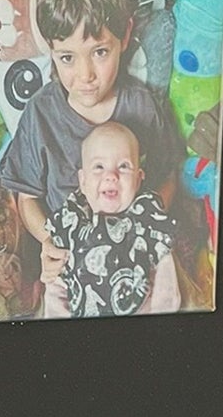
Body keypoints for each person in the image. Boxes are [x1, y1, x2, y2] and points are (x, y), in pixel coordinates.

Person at [0, 0, 180, 318]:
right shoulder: (40, 114)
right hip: (69, 262)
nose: (85, 76)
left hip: (134, 259)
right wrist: (48, 241)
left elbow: (168, 176)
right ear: (50, 50)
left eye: (99, 52)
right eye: (67, 58)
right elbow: (26, 198)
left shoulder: (142, 106)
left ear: (124, 37)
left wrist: (144, 228)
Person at [48, 122, 178, 318]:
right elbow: (56, 288)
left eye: (124, 166)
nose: (111, 176)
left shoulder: (148, 218)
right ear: (83, 181)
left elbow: (166, 283)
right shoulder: (70, 222)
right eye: (99, 167)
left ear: (138, 179)